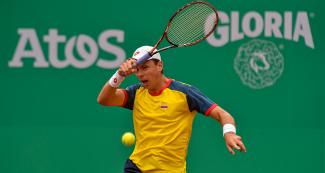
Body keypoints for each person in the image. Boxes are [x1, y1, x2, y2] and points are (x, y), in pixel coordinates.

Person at [97, 46, 246, 173]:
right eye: (137, 70)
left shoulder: (184, 93)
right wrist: (120, 74)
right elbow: (104, 99)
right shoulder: (136, 93)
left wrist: (229, 133)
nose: (140, 74)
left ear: (160, 66)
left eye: (145, 67)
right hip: (137, 167)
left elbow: (222, 114)